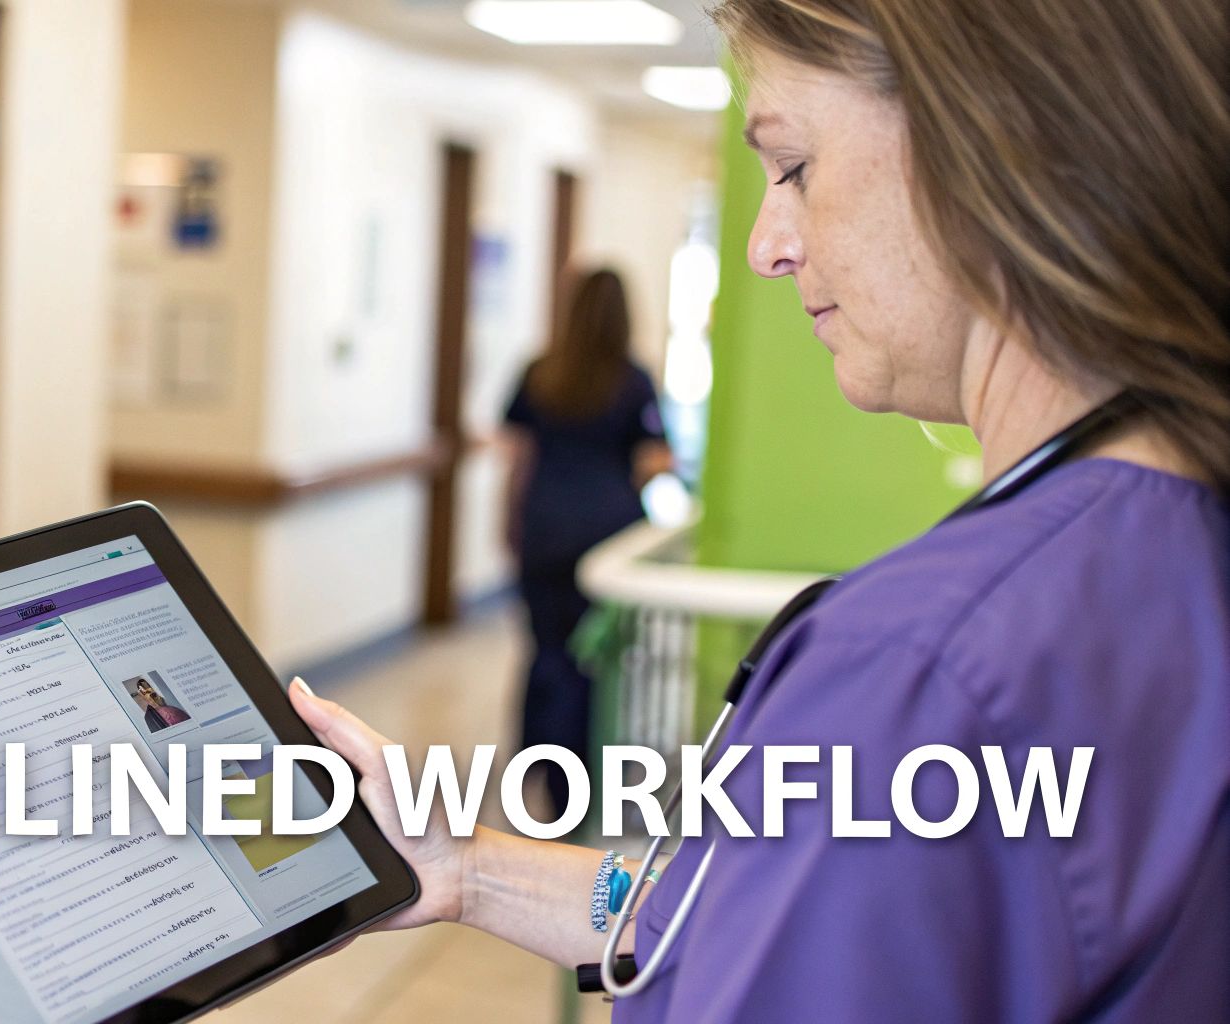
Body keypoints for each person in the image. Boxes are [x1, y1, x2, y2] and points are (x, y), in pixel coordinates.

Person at [288, 0, 1229, 1018]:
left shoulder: (914, 670)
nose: (763, 247)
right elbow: (726, 916)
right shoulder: (1174, 544)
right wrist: (470, 864)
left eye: (792, 169)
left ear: (998, 152)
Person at [501, 267, 672, 817]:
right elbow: (653, 462)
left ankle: (537, 768)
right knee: (588, 662)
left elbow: (518, 460)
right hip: (604, 535)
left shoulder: (538, 374)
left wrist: (509, 523)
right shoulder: (632, 380)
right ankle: (575, 784)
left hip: (543, 530)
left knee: (543, 651)